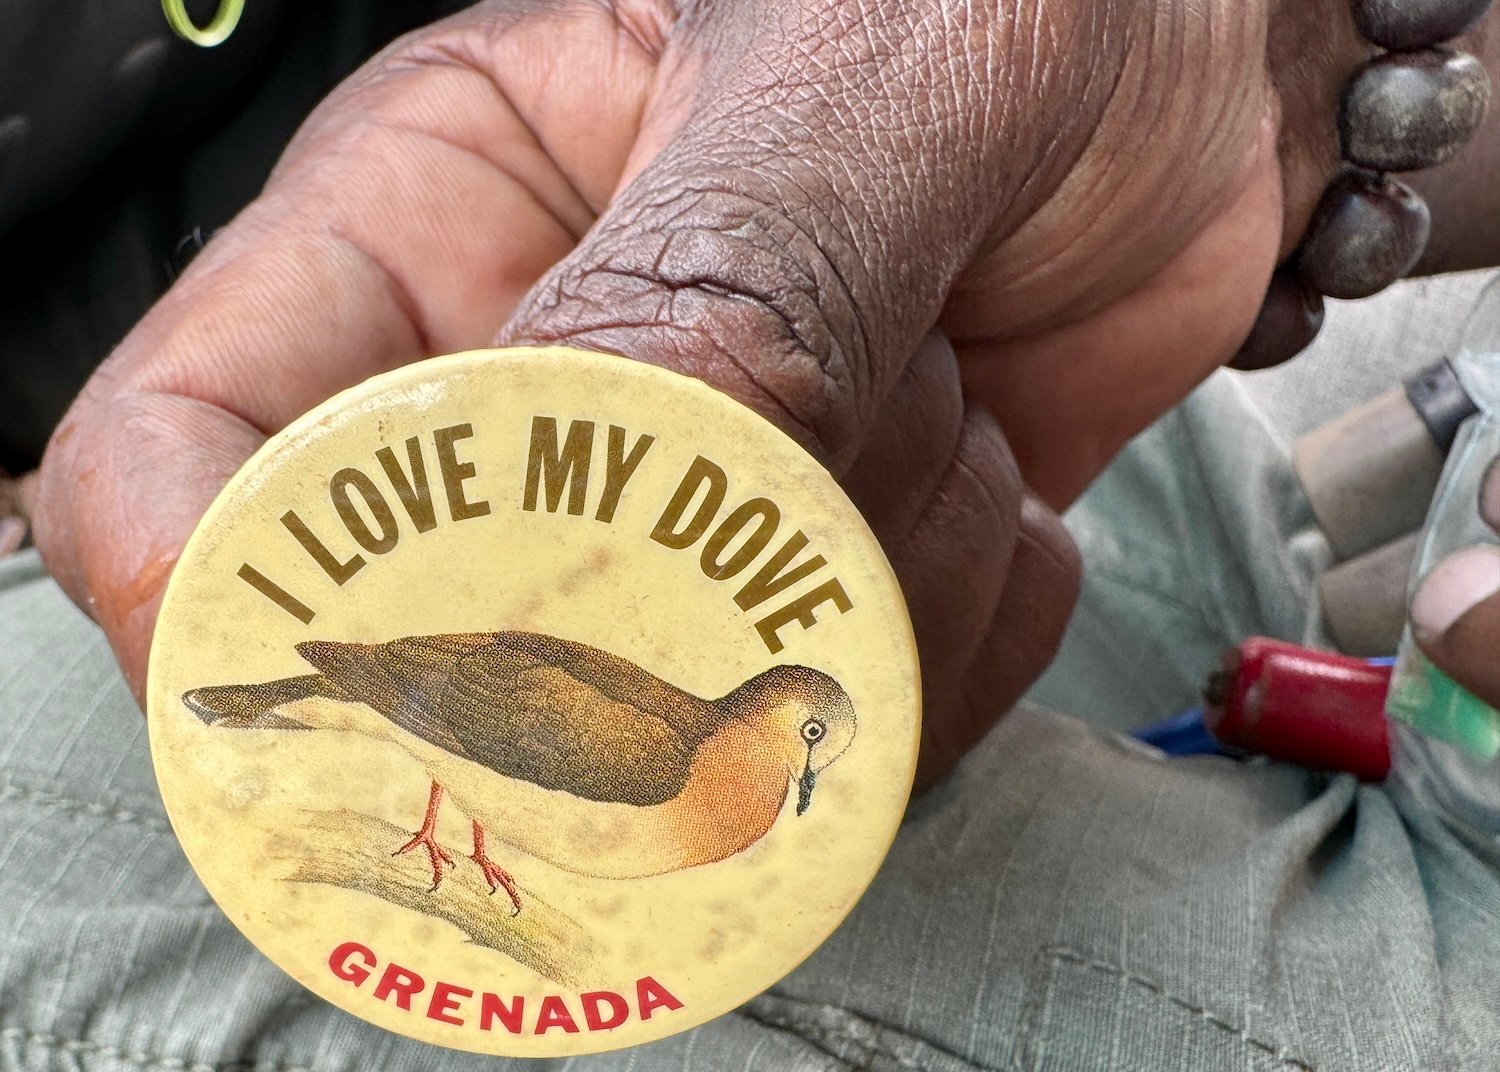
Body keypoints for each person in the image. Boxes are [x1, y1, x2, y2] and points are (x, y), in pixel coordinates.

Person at [5, 1, 1500, 1068]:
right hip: (1035, 400)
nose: (797, 766)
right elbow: (481, 714)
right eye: (801, 739)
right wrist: (1260, 60)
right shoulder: (666, 748)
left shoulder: (688, 748)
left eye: (801, 748)